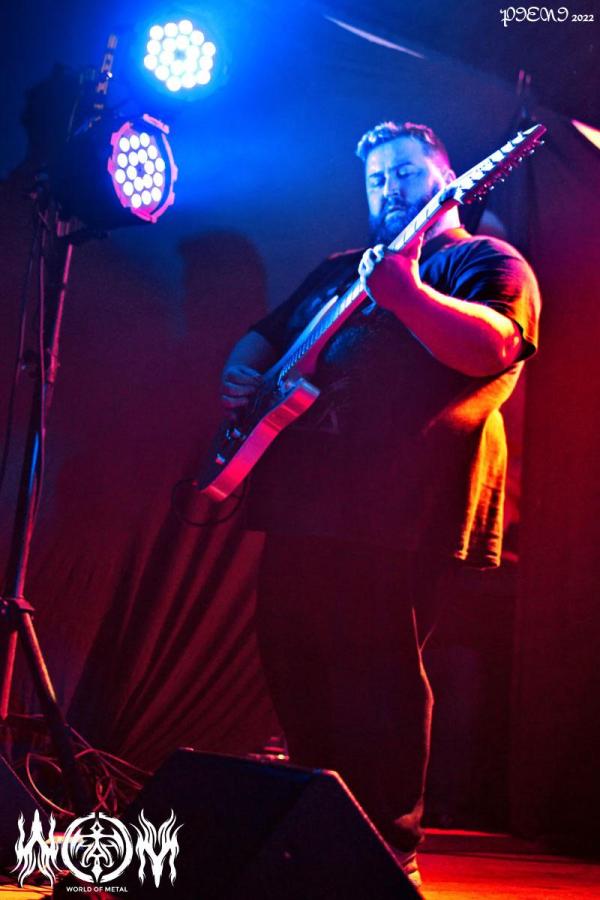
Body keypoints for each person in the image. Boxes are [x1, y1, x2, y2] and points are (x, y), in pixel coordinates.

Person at [219, 122, 540, 888]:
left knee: (378, 671)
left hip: (402, 507)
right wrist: (241, 370)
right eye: (375, 180)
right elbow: (266, 336)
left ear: (446, 178)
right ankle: (316, 829)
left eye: (404, 172)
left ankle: (388, 855)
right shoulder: (339, 268)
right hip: (304, 500)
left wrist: (408, 296)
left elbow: (494, 347)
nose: (389, 188)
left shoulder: (484, 259)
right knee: (293, 657)